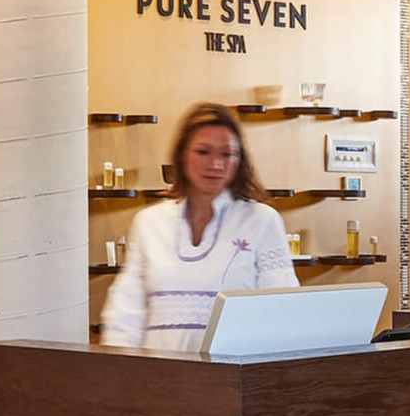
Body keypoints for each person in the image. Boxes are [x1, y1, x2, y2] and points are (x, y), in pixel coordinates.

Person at [101, 102, 297, 351]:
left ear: (239, 160)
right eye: (203, 152)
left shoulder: (261, 221)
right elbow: (125, 316)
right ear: (182, 155)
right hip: (158, 371)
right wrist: (117, 367)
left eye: (226, 154)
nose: (215, 164)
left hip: (234, 372)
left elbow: (283, 312)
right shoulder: (149, 223)